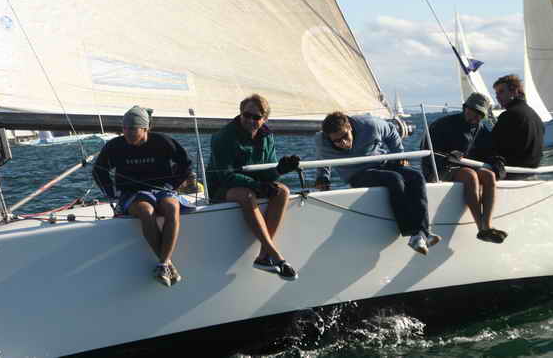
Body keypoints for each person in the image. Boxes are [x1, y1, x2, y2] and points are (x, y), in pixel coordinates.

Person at [314, 111, 441, 255]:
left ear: (350, 127)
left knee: (416, 176)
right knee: (394, 179)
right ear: (329, 138)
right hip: (357, 174)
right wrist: (323, 178)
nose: (343, 142)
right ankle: (412, 233)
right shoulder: (321, 140)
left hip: (381, 163)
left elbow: (391, 130)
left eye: (345, 136)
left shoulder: (370, 125)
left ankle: (423, 232)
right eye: (337, 141)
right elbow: (322, 158)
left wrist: (399, 154)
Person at [93, 106, 192, 287]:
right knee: (146, 211)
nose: (127, 132)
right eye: (124, 128)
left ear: (145, 128)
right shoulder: (115, 146)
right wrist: (112, 193)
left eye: (133, 128)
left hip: (161, 189)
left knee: (172, 207)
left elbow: (185, 163)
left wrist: (172, 185)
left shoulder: (162, 141)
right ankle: (166, 263)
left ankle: (163, 263)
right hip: (131, 193)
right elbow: (99, 171)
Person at [207, 94, 300, 281]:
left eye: (256, 117)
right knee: (247, 195)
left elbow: (267, 172)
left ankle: (263, 256)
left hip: (252, 185)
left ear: (265, 119)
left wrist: (280, 170)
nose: (250, 120)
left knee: (282, 191)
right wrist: (258, 186)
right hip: (222, 188)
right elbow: (225, 176)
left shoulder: (266, 136)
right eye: (246, 115)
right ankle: (275, 254)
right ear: (240, 113)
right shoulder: (223, 137)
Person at [420, 92, 506, 244]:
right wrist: (447, 157)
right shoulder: (442, 125)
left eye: (480, 114)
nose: (476, 116)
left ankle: (487, 224)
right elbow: (428, 153)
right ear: (465, 108)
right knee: (470, 175)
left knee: (489, 176)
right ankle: (481, 228)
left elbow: (491, 153)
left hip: (463, 168)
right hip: (438, 170)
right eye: (473, 111)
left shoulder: (481, 130)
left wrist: (498, 164)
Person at [489, 74, 544, 179]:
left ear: (514, 91)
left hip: (512, 174)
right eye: (496, 93)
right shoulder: (535, 116)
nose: (497, 97)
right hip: (531, 173)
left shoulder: (509, 115)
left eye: (501, 92)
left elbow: (491, 144)